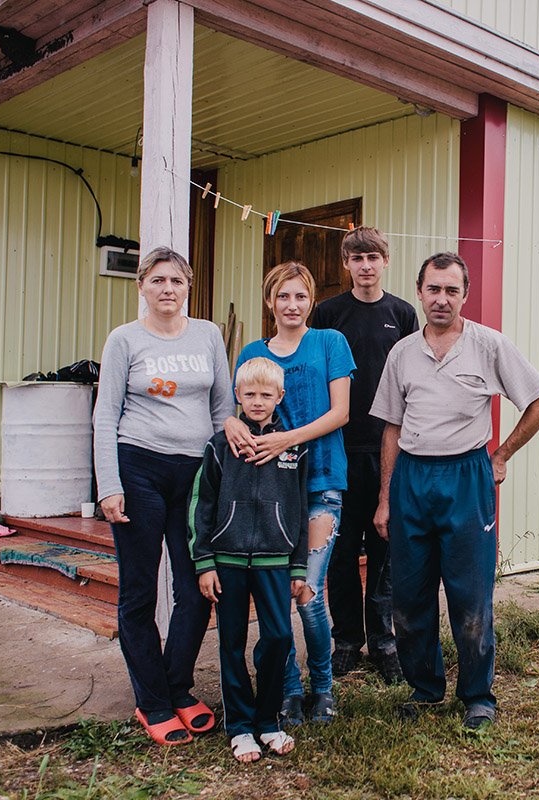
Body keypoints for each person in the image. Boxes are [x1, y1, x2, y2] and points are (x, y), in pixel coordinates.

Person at [372, 252, 539, 732]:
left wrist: (502, 455)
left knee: (470, 595)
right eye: (433, 289)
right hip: (412, 477)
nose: (441, 299)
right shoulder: (402, 353)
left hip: (467, 476)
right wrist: (386, 497)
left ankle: (478, 695)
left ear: (464, 295)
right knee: (409, 598)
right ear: (419, 291)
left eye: (451, 290)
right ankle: (425, 688)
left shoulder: (489, 346)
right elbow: (391, 427)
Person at [93, 246, 234, 746]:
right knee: (139, 591)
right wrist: (108, 484)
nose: (167, 289)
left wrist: (227, 476)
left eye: (176, 280)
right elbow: (105, 414)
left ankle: (177, 686)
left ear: (188, 285)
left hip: (195, 475)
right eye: (157, 280)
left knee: (198, 586)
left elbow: (223, 408)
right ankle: (150, 701)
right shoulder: (124, 340)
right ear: (142, 286)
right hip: (139, 469)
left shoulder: (209, 334)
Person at [227, 261, 355, 728]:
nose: (292, 305)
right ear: (270, 302)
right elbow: (236, 411)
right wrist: (229, 421)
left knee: (308, 593)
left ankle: (323, 686)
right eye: (283, 296)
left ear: (311, 301)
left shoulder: (330, 344)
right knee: (275, 598)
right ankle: (289, 689)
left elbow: (341, 413)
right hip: (268, 493)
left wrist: (287, 438)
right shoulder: (252, 352)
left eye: (300, 296)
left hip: (321, 483)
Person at [310, 227, 418, 684]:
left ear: (385, 261)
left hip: (389, 448)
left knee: (385, 549)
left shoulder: (403, 313)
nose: (366, 265)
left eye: (373, 256)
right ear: (346, 265)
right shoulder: (328, 314)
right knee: (339, 551)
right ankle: (347, 641)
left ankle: (385, 642)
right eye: (357, 258)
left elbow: (418, 377)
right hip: (338, 449)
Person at [189, 357, 307, 761]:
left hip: (276, 560)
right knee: (230, 642)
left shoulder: (292, 447)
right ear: (238, 395)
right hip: (228, 561)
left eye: (266, 394)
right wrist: (204, 561)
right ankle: (240, 726)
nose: (257, 402)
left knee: (278, 637)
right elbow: (202, 506)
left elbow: (299, 508)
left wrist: (299, 565)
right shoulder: (220, 445)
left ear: (280, 397)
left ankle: (268, 719)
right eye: (250, 394)